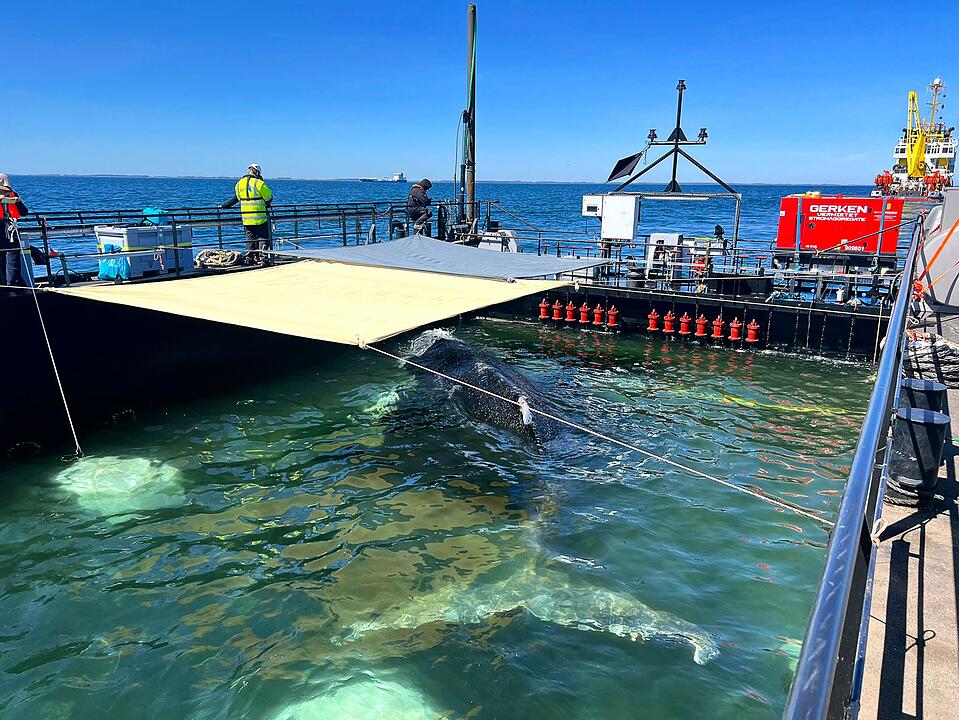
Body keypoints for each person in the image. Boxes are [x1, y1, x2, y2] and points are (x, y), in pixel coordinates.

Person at [220, 164, 273, 266]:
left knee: (250, 238)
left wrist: (224, 205)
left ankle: (249, 258)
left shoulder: (239, 184)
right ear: (257, 172)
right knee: (263, 238)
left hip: (246, 217)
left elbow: (236, 198)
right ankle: (263, 259)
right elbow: (269, 197)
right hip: (260, 216)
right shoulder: (259, 183)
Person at [0, 173, 29, 290]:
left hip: (10, 231)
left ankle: (14, 286)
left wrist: (17, 202)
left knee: (13, 260)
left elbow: (24, 212)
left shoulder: (13, 195)